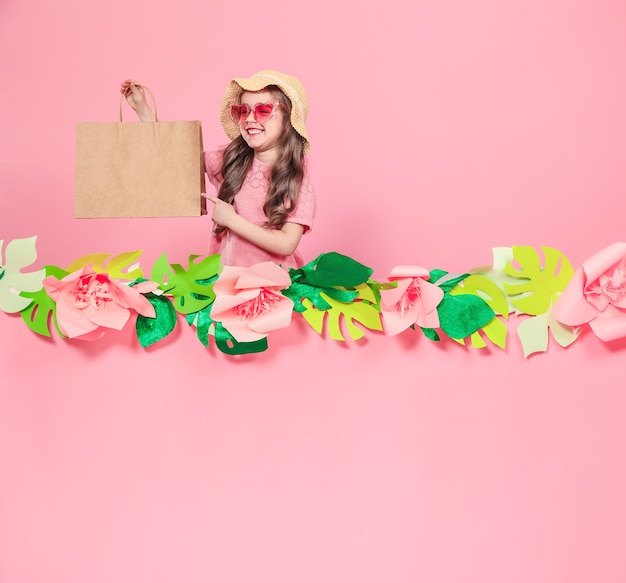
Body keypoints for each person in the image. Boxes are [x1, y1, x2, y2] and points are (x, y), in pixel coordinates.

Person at [120, 70, 315, 269]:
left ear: (288, 119)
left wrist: (231, 220)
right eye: (243, 111)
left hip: (274, 286)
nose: (249, 118)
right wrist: (143, 111)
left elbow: (286, 244)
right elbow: (177, 160)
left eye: (263, 111)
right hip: (227, 280)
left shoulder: (295, 174)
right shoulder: (231, 161)